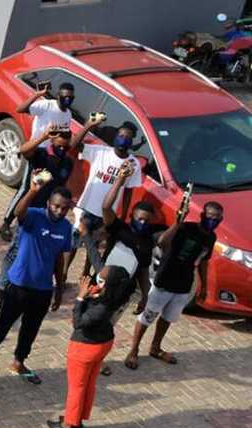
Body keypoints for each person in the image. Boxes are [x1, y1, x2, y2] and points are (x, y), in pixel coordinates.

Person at [0, 181, 71, 395]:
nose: (59, 211)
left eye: (64, 208)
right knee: (0, 328)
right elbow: (19, 212)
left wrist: (59, 288)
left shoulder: (66, 228)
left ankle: (19, 361)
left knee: (30, 329)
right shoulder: (34, 216)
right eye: (56, 206)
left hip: (43, 290)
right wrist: (33, 190)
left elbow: (59, 259)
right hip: (17, 286)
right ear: (48, 203)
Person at [0, 120, 92, 303]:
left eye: (65, 146)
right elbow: (23, 150)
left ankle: (28, 283)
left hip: (50, 217)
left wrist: (68, 203)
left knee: (40, 252)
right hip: (31, 212)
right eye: (58, 145)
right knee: (15, 250)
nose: (61, 149)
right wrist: (44, 136)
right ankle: (1, 285)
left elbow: (60, 187)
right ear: (53, 142)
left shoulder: (67, 163)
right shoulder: (42, 156)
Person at [125, 201, 222, 370]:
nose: (212, 220)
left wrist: (204, 285)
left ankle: (155, 347)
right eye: (209, 216)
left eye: (216, 218)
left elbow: (203, 262)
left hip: (184, 285)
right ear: (202, 215)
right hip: (164, 280)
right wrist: (177, 222)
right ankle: (133, 350)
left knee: (168, 318)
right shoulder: (185, 228)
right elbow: (162, 242)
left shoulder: (211, 237)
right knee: (148, 316)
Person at [47, 266, 133, 428]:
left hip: (85, 347)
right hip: (102, 344)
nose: (97, 282)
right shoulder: (114, 295)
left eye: (101, 280)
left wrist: (80, 298)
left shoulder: (102, 307)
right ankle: (78, 419)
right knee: (88, 383)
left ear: (109, 284)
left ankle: (69, 423)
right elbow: (98, 264)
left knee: (77, 387)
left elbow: (78, 322)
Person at [0, 82, 76, 241]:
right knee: (27, 187)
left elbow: (66, 137)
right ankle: (6, 222)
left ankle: (32, 220)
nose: (67, 99)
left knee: (45, 190)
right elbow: (20, 109)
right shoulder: (46, 105)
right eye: (64, 96)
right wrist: (37, 94)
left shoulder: (68, 115)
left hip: (54, 154)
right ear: (58, 95)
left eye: (70, 97)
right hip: (38, 150)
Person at [65, 122, 143, 279]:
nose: (123, 140)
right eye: (121, 135)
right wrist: (89, 125)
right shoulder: (100, 152)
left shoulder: (133, 164)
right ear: (115, 136)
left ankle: (85, 274)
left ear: (132, 141)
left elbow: (128, 191)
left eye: (128, 137)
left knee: (93, 246)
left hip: (107, 214)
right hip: (85, 208)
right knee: (73, 243)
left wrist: (122, 216)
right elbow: (73, 145)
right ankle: (64, 273)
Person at [94, 165, 158, 310]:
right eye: (139, 219)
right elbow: (106, 207)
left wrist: (145, 296)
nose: (142, 223)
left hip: (122, 292)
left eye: (147, 221)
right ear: (131, 217)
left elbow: (143, 271)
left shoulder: (148, 242)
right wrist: (120, 180)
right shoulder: (119, 228)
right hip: (101, 283)